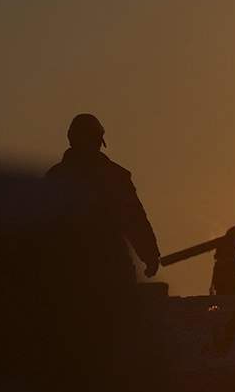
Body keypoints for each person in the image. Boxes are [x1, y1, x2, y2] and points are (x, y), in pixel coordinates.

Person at [45, 113, 161, 290]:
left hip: (85, 269)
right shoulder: (113, 177)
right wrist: (150, 255)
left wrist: (150, 254)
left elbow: (134, 218)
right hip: (91, 268)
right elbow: (134, 218)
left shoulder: (55, 178)